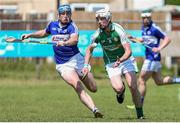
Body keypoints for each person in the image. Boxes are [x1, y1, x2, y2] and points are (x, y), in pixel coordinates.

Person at [21, 4, 103, 118]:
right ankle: (95, 109)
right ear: (58, 15)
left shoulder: (72, 26)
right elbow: (44, 33)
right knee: (77, 85)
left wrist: (64, 42)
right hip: (63, 65)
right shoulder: (52, 25)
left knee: (93, 88)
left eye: (68, 13)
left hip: (77, 59)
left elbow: (74, 39)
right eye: (63, 14)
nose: (66, 16)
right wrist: (30, 35)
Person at [82, 9, 144, 119]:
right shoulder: (97, 35)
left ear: (109, 19)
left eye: (102, 19)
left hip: (126, 60)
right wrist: (86, 65)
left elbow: (128, 51)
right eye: (98, 19)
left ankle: (140, 115)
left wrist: (121, 60)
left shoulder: (119, 30)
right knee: (118, 88)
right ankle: (121, 93)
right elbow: (89, 50)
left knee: (133, 86)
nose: (99, 22)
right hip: (111, 63)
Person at [128, 10, 180, 105]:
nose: (146, 20)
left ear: (150, 18)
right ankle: (178, 80)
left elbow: (167, 39)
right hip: (152, 58)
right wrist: (134, 38)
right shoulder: (144, 28)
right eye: (144, 18)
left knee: (141, 80)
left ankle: (139, 104)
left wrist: (159, 48)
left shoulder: (154, 28)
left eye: (147, 18)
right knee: (159, 81)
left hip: (152, 58)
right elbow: (144, 40)